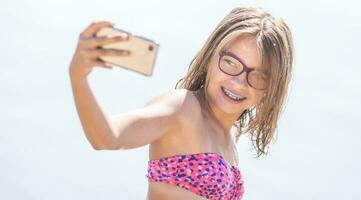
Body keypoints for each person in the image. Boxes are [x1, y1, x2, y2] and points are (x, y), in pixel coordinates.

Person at [68, 6, 294, 200]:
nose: (239, 82)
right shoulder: (183, 109)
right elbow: (108, 137)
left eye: (258, 76)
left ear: (271, 88)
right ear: (209, 58)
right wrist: (78, 77)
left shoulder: (231, 134)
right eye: (230, 62)